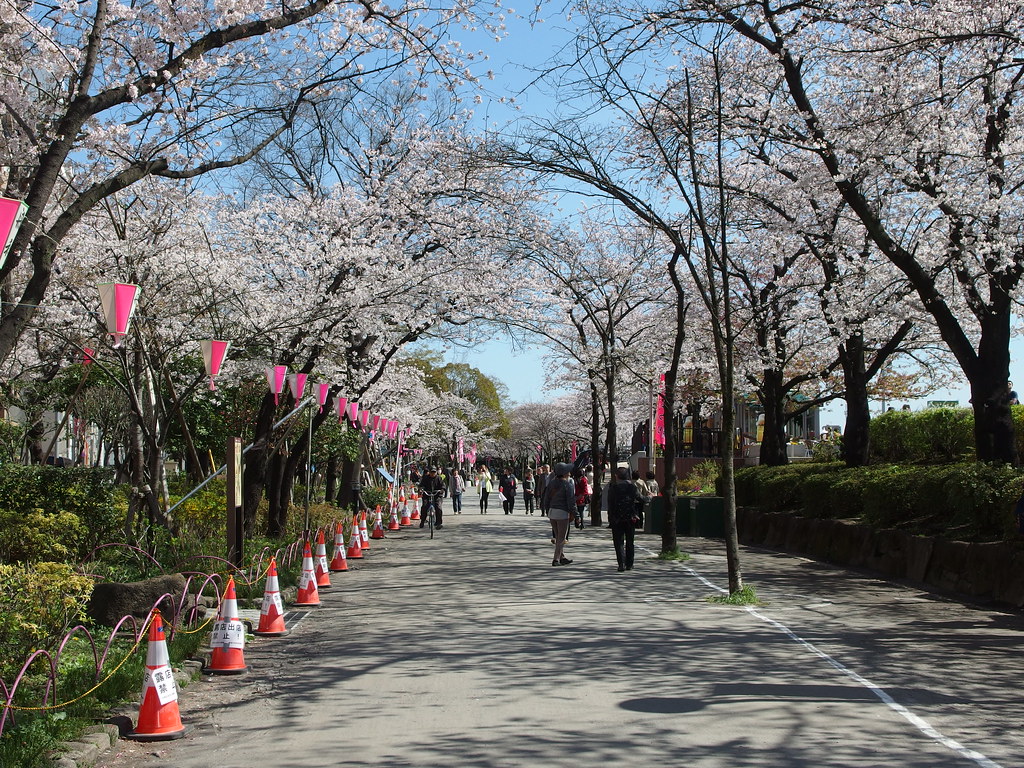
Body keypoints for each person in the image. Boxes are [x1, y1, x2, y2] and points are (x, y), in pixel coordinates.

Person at [608, 467, 641, 571]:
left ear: (617, 476)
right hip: (630, 517)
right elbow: (640, 498)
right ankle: (629, 564)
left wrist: (611, 518)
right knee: (630, 541)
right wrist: (650, 497)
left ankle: (621, 564)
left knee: (619, 542)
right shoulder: (632, 487)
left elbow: (610, 504)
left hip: (617, 518)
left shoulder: (613, 488)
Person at [542, 463, 575, 566]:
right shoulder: (567, 485)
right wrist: (575, 514)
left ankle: (562, 556)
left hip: (552, 512)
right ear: (564, 473)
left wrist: (547, 510)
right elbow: (571, 502)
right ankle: (556, 559)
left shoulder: (551, 483)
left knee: (557, 535)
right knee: (561, 538)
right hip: (562, 513)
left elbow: (546, 498)